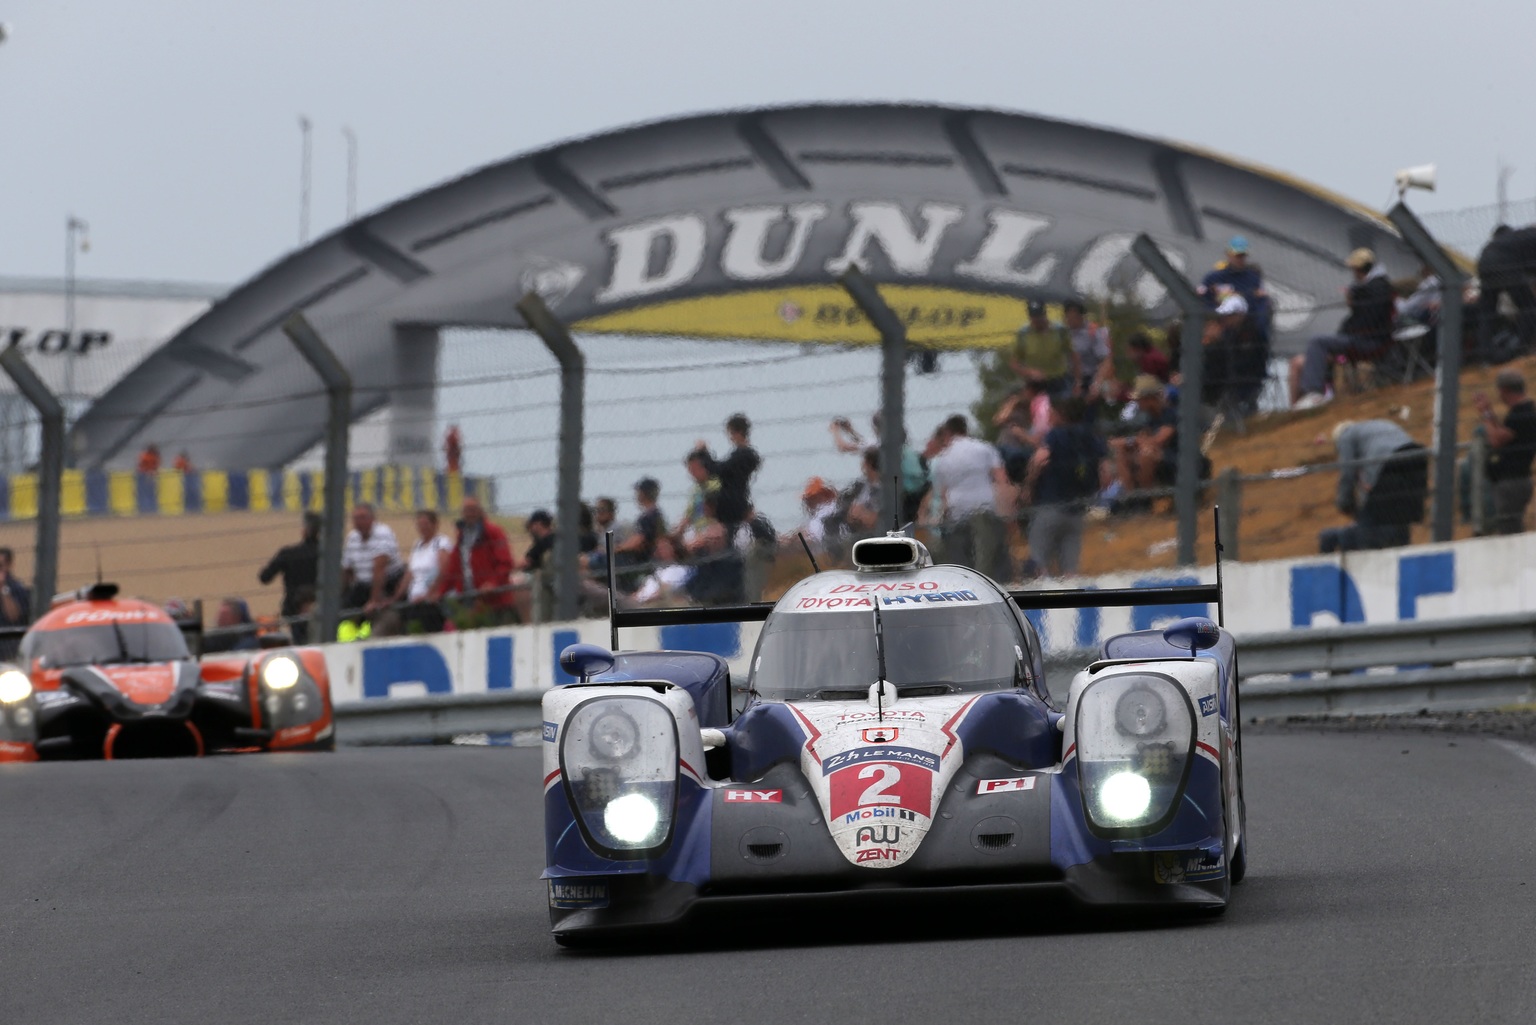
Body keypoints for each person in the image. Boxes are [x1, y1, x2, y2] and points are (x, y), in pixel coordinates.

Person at [1290, 248, 1395, 409]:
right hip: (1371, 339)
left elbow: (1366, 319)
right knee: (1321, 347)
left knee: (1317, 342)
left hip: (1367, 342)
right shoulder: (1380, 286)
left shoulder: (1370, 290)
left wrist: (1353, 301)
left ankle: (1314, 393)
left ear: (1359, 269)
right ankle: (1305, 399)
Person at [1023, 398, 1106, 577]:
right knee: (1070, 570)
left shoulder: (1055, 435)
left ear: (1061, 414)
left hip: (1050, 504)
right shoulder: (1090, 436)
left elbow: (1040, 459)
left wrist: (1029, 485)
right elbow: (1103, 470)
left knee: (1039, 563)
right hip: (1077, 508)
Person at [1319, 419, 1427, 552]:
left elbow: (1347, 471)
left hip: (1390, 463)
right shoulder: (1373, 429)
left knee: (1370, 521)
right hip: (1417, 459)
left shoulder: (1345, 435)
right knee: (1400, 519)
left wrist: (1345, 502)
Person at [929, 414, 1007, 578]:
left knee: (962, 559)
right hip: (984, 507)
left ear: (948, 433)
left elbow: (943, 493)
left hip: (957, 512)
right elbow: (1000, 478)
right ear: (966, 429)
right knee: (986, 557)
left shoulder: (943, 458)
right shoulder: (984, 448)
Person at [432, 496, 516, 622]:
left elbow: (505, 562)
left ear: (480, 511)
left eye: (472, 509)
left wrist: (493, 583)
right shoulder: (462, 536)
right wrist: (441, 591)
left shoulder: (493, 532)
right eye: (466, 510)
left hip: (493, 600)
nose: (469, 513)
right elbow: (454, 568)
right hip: (469, 597)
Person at [1475, 369, 1536, 534]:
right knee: (1511, 524)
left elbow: (1496, 440)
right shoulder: (1524, 411)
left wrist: (1485, 414)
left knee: (1509, 529)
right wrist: (1490, 412)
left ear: (1504, 390)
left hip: (1511, 481)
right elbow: (1504, 433)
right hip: (1518, 478)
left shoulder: (1521, 414)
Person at [1110, 376, 1180, 493]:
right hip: (1161, 457)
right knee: (1121, 452)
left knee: (1146, 454)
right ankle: (1130, 496)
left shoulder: (1170, 415)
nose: (1137, 403)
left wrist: (1129, 441)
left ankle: (1145, 497)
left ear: (1150, 399)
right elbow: (1144, 438)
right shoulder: (1150, 418)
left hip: (1177, 458)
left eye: (1140, 399)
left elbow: (1158, 441)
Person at [258, 512, 320, 643]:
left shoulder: (288, 554)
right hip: (322, 608)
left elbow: (264, 577)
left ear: (304, 530)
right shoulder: (328, 555)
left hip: (293, 609)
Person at [1474, 225, 1536, 357]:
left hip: (1484, 263)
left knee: (1487, 312)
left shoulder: (1517, 237)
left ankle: (1486, 353)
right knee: (1529, 307)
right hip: (1505, 265)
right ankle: (1519, 347)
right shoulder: (1529, 238)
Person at [1202, 294, 1269, 414]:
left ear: (1239, 314)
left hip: (1246, 381)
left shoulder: (1251, 333)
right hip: (1231, 381)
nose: (1225, 318)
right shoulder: (1231, 332)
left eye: (1229, 315)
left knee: (1242, 409)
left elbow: (1250, 360)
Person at [391, 509, 454, 632]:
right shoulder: (417, 545)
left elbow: (443, 570)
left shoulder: (441, 543)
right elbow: (410, 573)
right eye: (420, 524)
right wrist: (395, 597)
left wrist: (429, 594)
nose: (422, 528)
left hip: (431, 600)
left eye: (426, 524)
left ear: (435, 524)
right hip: (414, 599)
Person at [697, 413, 760, 529]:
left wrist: (704, 453)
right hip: (739, 499)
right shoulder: (748, 455)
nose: (730, 437)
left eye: (731, 433)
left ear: (737, 432)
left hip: (731, 504)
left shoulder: (742, 455)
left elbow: (718, 470)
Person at [1199, 235, 1272, 334]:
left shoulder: (1253, 278)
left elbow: (1261, 301)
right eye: (1237, 256)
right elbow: (1201, 299)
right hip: (1217, 320)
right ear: (1228, 254)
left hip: (1245, 321)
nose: (1240, 259)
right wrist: (1213, 315)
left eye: (1242, 256)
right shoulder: (1213, 278)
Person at [341, 502, 404, 614]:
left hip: (386, 586)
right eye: (356, 518)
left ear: (372, 519)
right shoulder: (352, 537)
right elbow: (347, 570)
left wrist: (373, 600)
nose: (359, 522)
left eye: (363, 518)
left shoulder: (383, 534)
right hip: (362, 586)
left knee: (382, 615)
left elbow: (379, 570)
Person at [1010, 300, 1080, 398]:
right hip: (1034, 385)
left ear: (1045, 314)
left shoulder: (1060, 330)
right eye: (1033, 317)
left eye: (1039, 316)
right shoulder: (1023, 334)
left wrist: (1077, 382)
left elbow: (1073, 355)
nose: (1037, 320)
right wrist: (1030, 372)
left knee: (1064, 408)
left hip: (1059, 382)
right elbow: (1014, 364)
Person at [1063, 300, 1111, 394]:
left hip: (1088, 378)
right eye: (1068, 316)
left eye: (1073, 317)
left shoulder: (1092, 333)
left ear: (1081, 316)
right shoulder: (1063, 332)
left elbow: (1105, 360)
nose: (1070, 320)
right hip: (1066, 378)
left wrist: (1096, 384)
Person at [0, 547, 32, 660]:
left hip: (8, 646)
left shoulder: (16, 588)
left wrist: (3, 588)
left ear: (8, 566)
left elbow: (13, 616)